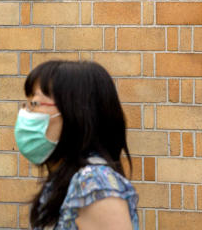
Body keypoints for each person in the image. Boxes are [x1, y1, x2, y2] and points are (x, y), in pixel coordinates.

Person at [14, 60, 139, 230]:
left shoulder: (96, 184)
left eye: (34, 104)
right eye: (27, 104)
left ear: (75, 112)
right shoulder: (63, 181)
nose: (26, 113)